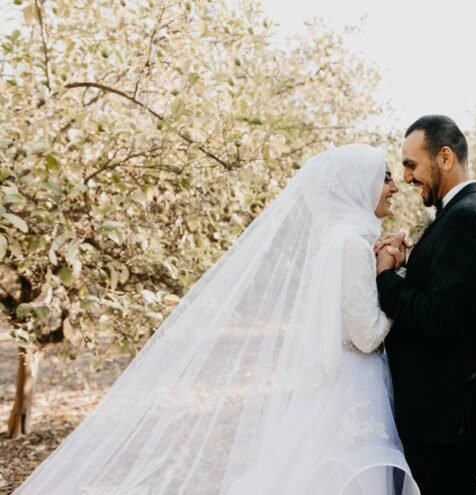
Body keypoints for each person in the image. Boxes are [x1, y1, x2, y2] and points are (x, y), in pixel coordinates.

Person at [13, 144, 420, 495]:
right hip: (353, 389)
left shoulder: (344, 240)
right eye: (385, 177)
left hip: (340, 383)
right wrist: (392, 277)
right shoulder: (350, 244)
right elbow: (367, 336)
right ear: (357, 184)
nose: (394, 186)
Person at [375, 115, 476, 495]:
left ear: (445, 158)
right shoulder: (463, 213)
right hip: (449, 410)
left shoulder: (466, 218)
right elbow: (449, 290)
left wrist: (385, 278)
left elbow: (440, 317)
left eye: (411, 164)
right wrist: (409, 265)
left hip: (446, 416)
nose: (406, 177)